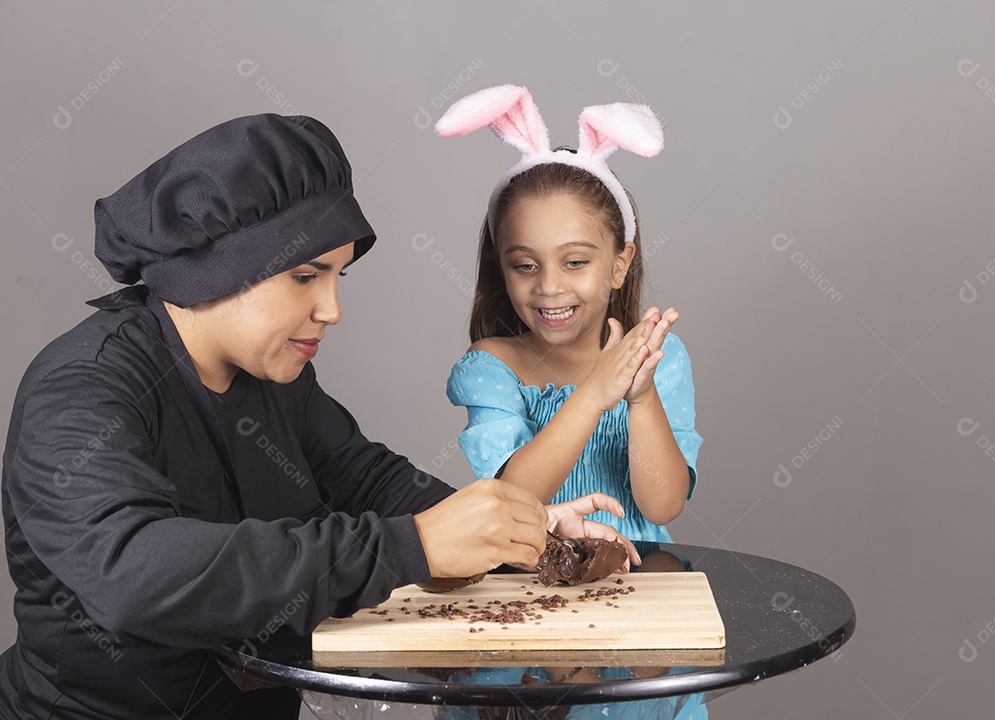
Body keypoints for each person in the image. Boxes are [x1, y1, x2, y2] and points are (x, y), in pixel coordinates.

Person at [0, 113, 638, 720]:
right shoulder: (83, 386)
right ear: (218, 269)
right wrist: (412, 547)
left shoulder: (276, 375)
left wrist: (516, 529)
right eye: (306, 277)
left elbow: (369, 481)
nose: (331, 309)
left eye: (336, 276)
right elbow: (135, 573)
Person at [437, 86, 704, 542]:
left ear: (619, 264)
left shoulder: (661, 358)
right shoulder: (492, 367)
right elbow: (514, 498)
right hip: (533, 593)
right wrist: (596, 392)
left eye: (575, 262)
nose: (549, 286)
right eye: (525, 265)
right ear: (501, 268)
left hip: (635, 588)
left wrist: (638, 397)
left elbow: (663, 505)